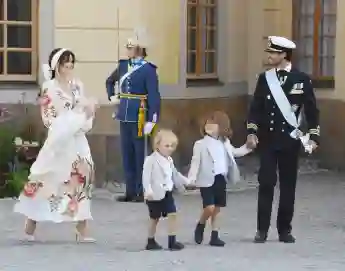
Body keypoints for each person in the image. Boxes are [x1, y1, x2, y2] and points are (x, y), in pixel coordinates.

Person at [14, 48, 98, 242]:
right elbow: (50, 119)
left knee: (84, 177)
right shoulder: (48, 88)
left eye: (71, 63)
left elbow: (84, 111)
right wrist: (77, 118)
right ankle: (30, 224)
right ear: (56, 66)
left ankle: (82, 228)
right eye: (64, 63)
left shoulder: (78, 86)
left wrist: (86, 117)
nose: (69, 67)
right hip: (59, 141)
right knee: (46, 178)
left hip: (78, 140)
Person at [246, 36, 320, 243]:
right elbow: (255, 109)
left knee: (288, 186)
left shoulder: (302, 79)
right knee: (266, 183)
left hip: (290, 140)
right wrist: (252, 132)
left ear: (284, 55)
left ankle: (284, 229)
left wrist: (313, 136)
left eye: (273, 53)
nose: (269, 56)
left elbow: (312, 111)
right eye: (269, 52)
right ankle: (262, 230)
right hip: (268, 140)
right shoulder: (264, 78)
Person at [106, 30, 161, 203]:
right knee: (127, 154)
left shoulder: (148, 70)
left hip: (140, 116)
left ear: (139, 49)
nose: (127, 50)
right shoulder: (123, 66)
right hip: (124, 114)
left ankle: (140, 190)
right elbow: (110, 81)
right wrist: (112, 96)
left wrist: (152, 120)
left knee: (140, 156)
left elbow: (153, 95)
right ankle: (129, 190)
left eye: (130, 47)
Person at [188, 111, 252, 246]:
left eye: (213, 124)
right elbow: (195, 162)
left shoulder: (225, 142)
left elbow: (235, 152)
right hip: (206, 179)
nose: (208, 126)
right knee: (209, 207)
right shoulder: (200, 144)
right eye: (207, 124)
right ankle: (201, 223)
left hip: (220, 178)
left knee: (217, 208)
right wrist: (191, 178)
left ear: (222, 127)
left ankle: (215, 235)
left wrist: (247, 147)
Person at [142, 129, 192, 251]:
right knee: (155, 218)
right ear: (157, 145)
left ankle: (172, 241)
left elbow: (175, 174)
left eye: (172, 146)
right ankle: (150, 240)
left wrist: (187, 181)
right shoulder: (151, 160)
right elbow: (146, 177)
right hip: (154, 194)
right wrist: (148, 190)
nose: (169, 149)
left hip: (167, 192)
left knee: (172, 214)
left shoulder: (169, 160)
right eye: (166, 146)